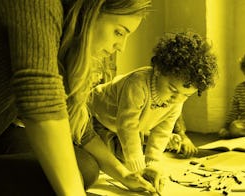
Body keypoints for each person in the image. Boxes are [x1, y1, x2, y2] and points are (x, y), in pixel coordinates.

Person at [0, 0, 160, 195]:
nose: (121, 47)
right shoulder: (38, 5)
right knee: (69, 176)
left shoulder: (62, 40)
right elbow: (40, 104)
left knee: (85, 166)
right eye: (119, 32)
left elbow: (81, 130)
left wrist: (123, 174)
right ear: (91, 12)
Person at [90, 31, 217, 183]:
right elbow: (127, 126)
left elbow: (163, 130)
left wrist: (153, 163)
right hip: (96, 118)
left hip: (125, 127)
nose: (177, 98)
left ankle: (139, 145)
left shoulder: (178, 99)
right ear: (158, 70)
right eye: (173, 89)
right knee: (109, 159)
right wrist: (138, 170)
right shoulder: (137, 84)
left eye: (186, 95)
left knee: (129, 153)